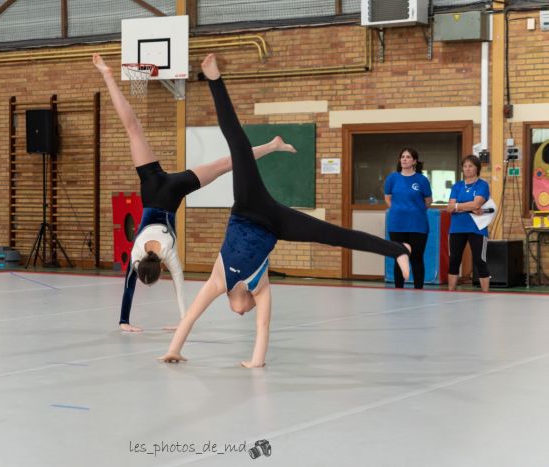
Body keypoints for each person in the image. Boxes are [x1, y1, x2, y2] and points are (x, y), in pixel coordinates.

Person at [158, 54, 411, 368]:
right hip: (275, 223)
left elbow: (192, 316)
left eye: (240, 311)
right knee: (333, 236)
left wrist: (174, 348)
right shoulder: (260, 288)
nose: (242, 312)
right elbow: (263, 328)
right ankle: (398, 249)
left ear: (231, 301)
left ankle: (214, 79)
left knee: (238, 146)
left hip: (248, 207)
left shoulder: (217, 281)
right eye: (246, 312)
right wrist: (255, 361)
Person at [92, 53, 297, 333]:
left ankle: (272, 146)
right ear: (140, 264)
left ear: (160, 269)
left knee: (227, 164)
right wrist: (123, 320)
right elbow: (129, 286)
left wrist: (181, 322)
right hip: (152, 185)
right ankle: (106, 74)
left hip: (174, 193)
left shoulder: (170, 255)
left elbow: (180, 289)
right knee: (133, 129)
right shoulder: (137, 252)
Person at [384, 147, 432, 289]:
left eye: (408, 157)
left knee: (416, 258)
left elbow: (428, 200)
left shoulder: (422, 180)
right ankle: (399, 289)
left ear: (414, 161)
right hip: (397, 224)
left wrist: (415, 211)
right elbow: (388, 198)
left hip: (417, 224)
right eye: (403, 156)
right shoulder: (392, 178)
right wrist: (398, 210)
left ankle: (419, 289)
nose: (404, 159)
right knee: (400, 258)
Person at [446, 154, 491, 292]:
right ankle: (450, 291)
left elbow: (477, 204)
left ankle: (486, 292)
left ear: (477, 168)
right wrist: (469, 208)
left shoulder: (482, 185)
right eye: (465, 166)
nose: (467, 169)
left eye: (471, 166)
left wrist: (458, 207)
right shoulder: (457, 186)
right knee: (454, 260)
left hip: (477, 227)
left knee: (479, 260)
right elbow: (449, 208)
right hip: (457, 228)